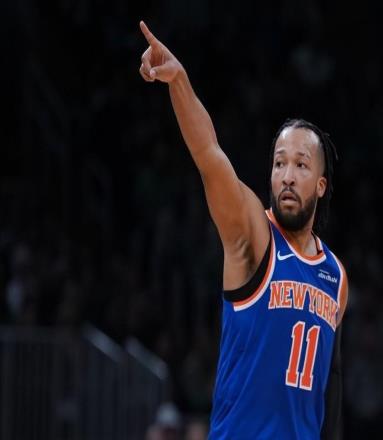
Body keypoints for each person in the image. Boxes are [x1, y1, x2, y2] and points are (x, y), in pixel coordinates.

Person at [138, 20, 348, 439]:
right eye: (279, 163)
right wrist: (179, 81)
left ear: (321, 185)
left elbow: (332, 391)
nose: (287, 175)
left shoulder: (336, 277)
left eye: (301, 165)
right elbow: (209, 154)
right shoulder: (255, 234)